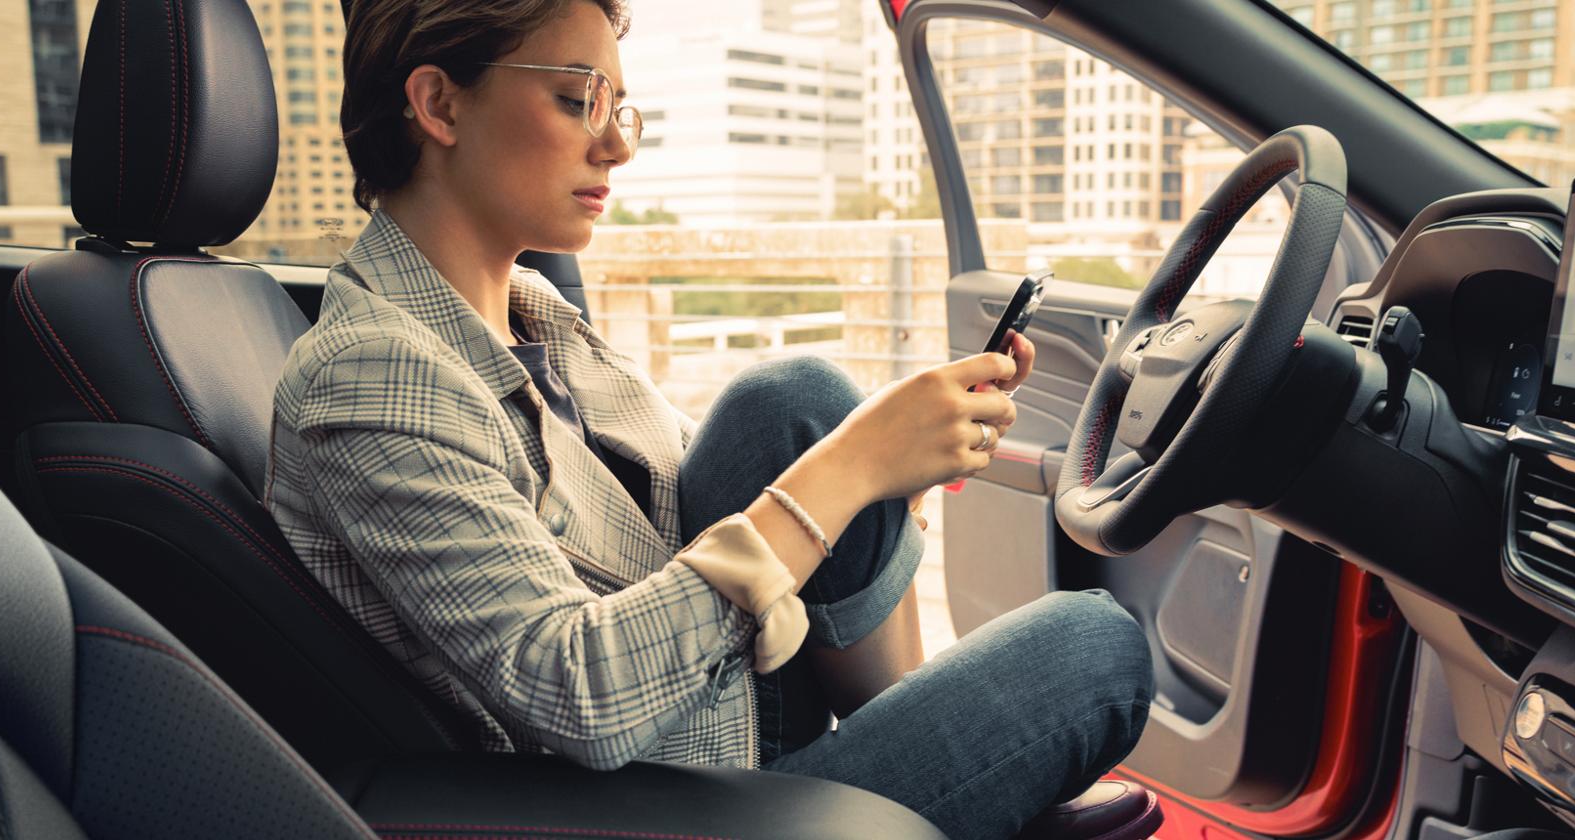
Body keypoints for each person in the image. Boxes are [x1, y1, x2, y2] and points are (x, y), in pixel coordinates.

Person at [263, 0, 1154, 836]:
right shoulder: (369, 373)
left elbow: (723, 496)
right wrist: (855, 467)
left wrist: (895, 454)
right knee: (1094, 647)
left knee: (793, 398)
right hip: (659, 799)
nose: (617, 146)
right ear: (439, 104)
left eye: (621, 109)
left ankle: (926, 770)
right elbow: (577, 694)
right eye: (578, 99)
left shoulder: (530, 313)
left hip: (715, 704)